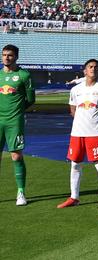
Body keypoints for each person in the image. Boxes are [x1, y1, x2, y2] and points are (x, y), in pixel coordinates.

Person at [57, 59, 98, 210]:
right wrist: (81, 122)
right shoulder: (75, 90)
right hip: (77, 133)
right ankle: (74, 197)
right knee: (75, 164)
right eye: (90, 67)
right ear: (85, 70)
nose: (93, 69)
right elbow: (72, 110)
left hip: (95, 133)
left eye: (96, 67)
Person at [0, 44, 35, 206]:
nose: (6, 58)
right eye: (4, 55)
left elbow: (30, 100)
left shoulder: (24, 75)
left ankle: (21, 192)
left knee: (16, 156)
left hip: (14, 121)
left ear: (16, 57)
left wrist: (17, 112)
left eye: (10, 55)